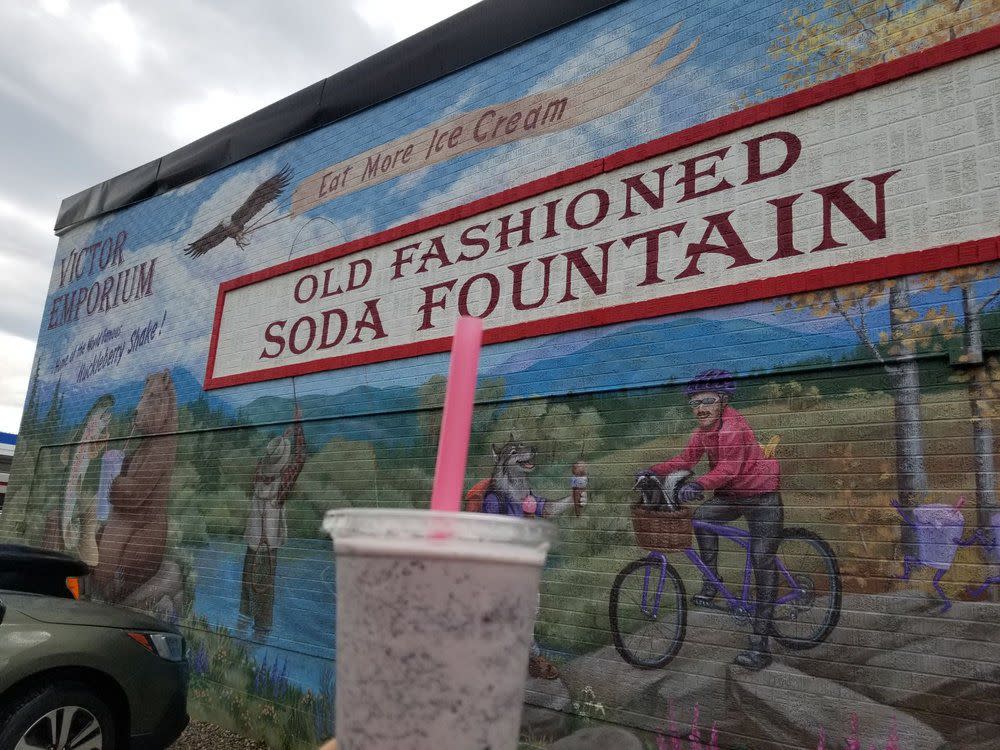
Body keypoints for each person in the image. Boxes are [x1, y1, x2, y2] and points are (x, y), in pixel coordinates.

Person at [644, 369, 781, 670]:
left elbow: (730, 468)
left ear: (722, 400)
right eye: (694, 402)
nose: (700, 408)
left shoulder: (733, 428)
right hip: (732, 495)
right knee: (702, 517)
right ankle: (712, 580)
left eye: (707, 400)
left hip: (761, 496)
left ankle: (760, 644)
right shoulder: (702, 433)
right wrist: (654, 470)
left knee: (761, 558)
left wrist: (699, 485)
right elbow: (685, 460)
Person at [239, 408, 306, 639]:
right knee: (266, 589)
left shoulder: (259, 474)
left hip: (252, 543)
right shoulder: (282, 484)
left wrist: (282, 440)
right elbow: (299, 459)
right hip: (270, 546)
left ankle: (242, 621)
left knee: (247, 585)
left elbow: (270, 458)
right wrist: (298, 426)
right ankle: (261, 631)